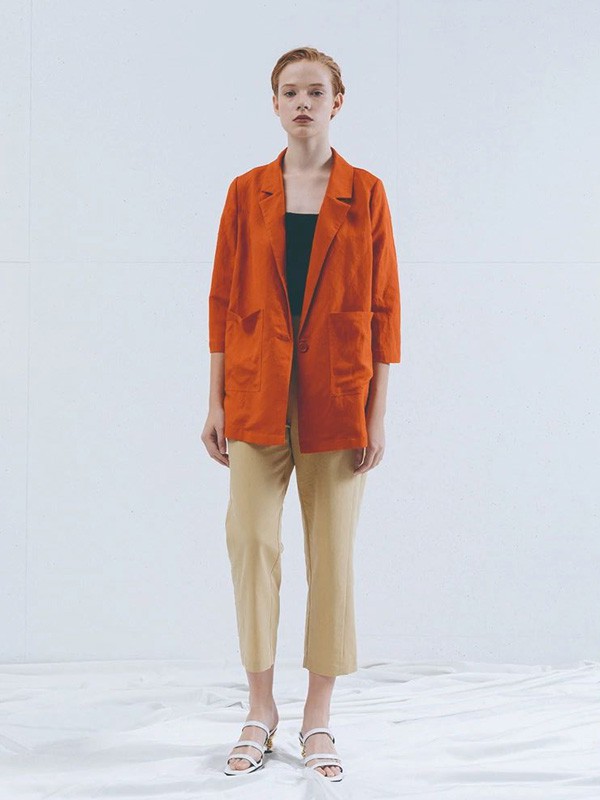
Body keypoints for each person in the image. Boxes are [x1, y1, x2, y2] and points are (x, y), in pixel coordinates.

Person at [201, 46, 401, 781]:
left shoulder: (366, 193)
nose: (303, 103)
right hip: (254, 392)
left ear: (337, 102)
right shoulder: (245, 191)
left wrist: (378, 412)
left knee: (332, 556)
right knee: (252, 542)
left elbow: (386, 307)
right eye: (290, 92)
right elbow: (222, 300)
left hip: (338, 396)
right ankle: (261, 707)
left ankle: (318, 716)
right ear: (275, 103)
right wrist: (214, 400)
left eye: (316, 91)